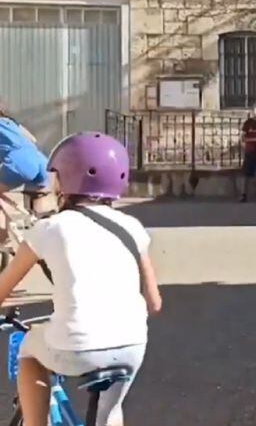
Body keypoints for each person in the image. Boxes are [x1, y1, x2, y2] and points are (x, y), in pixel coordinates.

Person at [0, 132, 162, 426]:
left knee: (29, 351)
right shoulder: (132, 226)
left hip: (75, 344)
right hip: (131, 346)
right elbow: (154, 302)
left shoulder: (49, 228)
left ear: (66, 179)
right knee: (110, 412)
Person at [0, 107, 49, 241]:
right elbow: (33, 140)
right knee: (39, 214)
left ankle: (4, 237)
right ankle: (39, 234)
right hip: (41, 162)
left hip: (19, 162)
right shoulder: (12, 123)